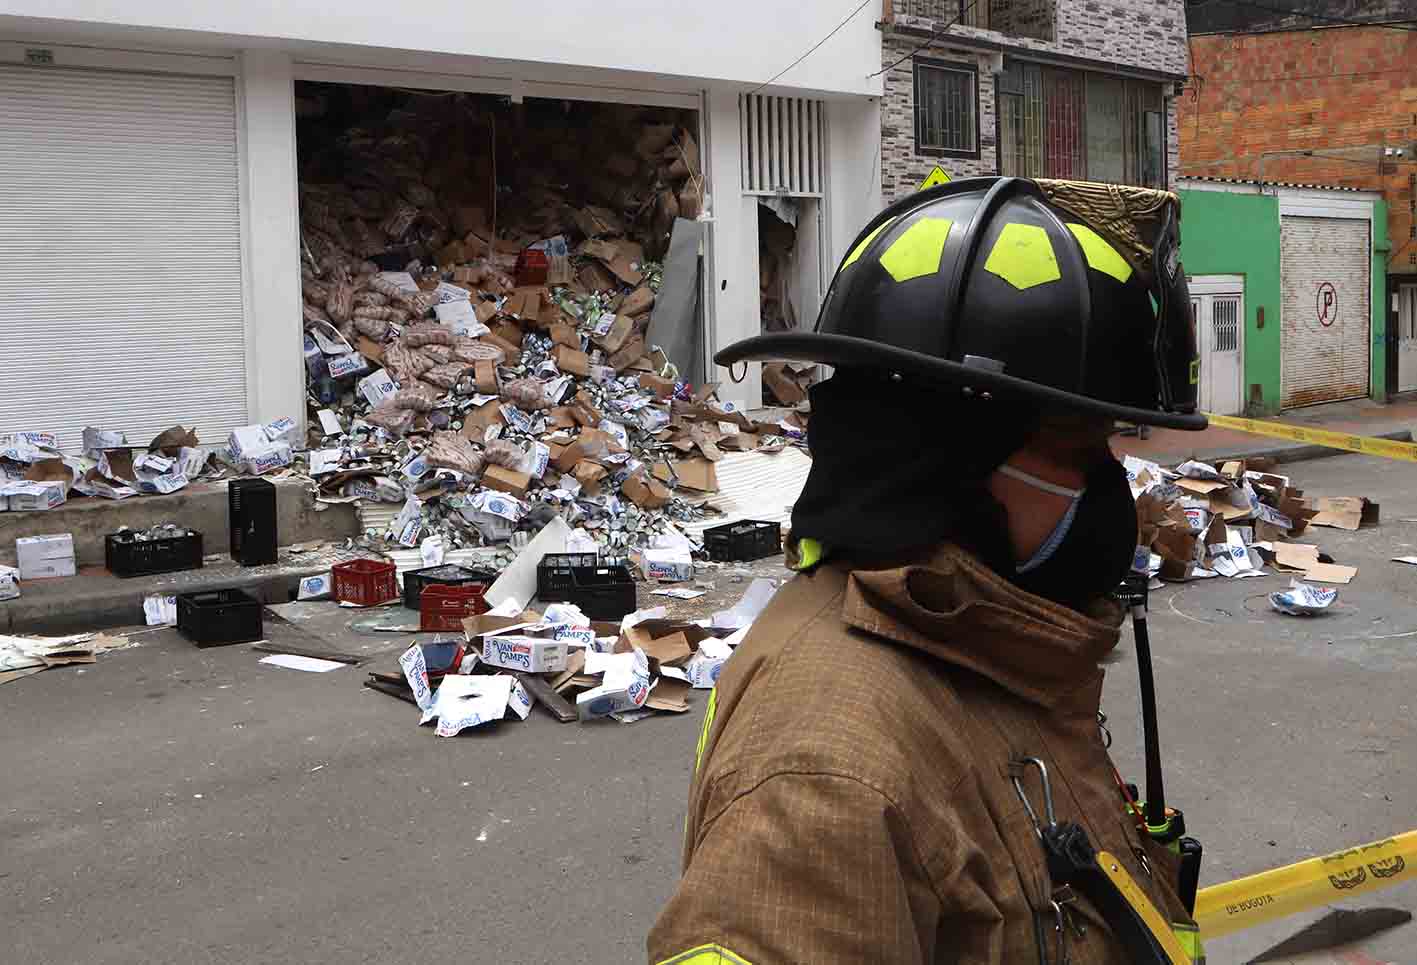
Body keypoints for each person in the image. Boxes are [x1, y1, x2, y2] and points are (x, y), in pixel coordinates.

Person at [648, 177, 1208, 965]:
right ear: (949, 456)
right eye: (1080, 453)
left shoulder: (974, 641)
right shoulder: (832, 770)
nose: (1109, 492)